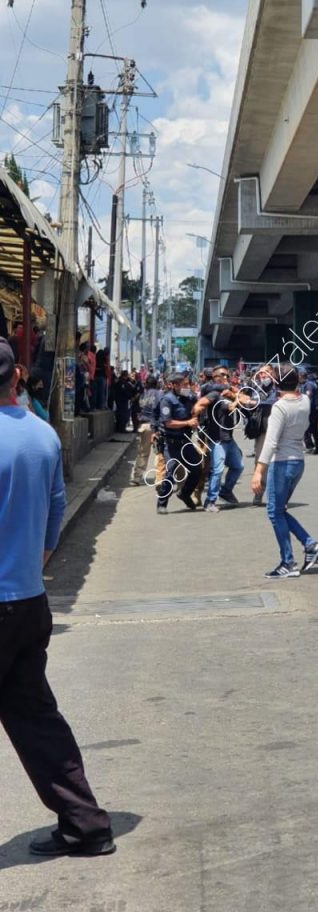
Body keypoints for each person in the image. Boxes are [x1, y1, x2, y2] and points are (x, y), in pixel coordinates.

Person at [0, 338, 114, 857]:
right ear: (17, 376)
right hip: (27, 600)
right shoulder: (43, 435)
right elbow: (54, 518)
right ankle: (85, 823)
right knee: (35, 716)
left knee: (34, 714)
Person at [251, 363, 318, 578]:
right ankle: (309, 544)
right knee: (279, 510)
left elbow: (271, 442)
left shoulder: (280, 407)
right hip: (297, 462)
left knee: (274, 512)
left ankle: (288, 562)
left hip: (281, 462)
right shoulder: (305, 400)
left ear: (276, 383)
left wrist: (258, 471)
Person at [192, 366, 244, 512]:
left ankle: (226, 491)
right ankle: (210, 501)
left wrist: (236, 398)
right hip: (217, 438)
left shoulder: (230, 393)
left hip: (229, 438)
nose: (225, 377)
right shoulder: (214, 394)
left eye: (227, 375)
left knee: (238, 466)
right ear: (214, 377)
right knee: (217, 470)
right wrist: (194, 417)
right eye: (222, 375)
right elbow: (199, 405)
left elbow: (247, 399)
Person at [152, 372, 201, 514]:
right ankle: (162, 504)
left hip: (185, 441)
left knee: (197, 469)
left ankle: (185, 494)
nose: (187, 387)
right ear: (173, 385)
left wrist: (195, 417)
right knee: (170, 473)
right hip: (171, 443)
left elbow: (196, 409)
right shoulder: (167, 400)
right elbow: (168, 423)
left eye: (188, 384)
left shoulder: (189, 397)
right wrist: (187, 422)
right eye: (184, 385)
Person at [239, 364, 278, 505]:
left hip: (277, 430)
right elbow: (246, 404)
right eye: (261, 373)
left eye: (267, 372)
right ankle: (258, 494)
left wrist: (252, 402)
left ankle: (278, 497)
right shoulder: (255, 388)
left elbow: (272, 402)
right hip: (261, 430)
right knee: (260, 462)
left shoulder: (278, 388)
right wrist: (243, 403)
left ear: (272, 373)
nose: (263, 376)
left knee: (277, 463)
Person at [131, 374, 160, 485]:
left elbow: (137, 409)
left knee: (142, 453)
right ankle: (161, 477)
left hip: (143, 426)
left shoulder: (142, 395)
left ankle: (136, 477)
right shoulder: (159, 394)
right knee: (160, 452)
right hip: (155, 426)